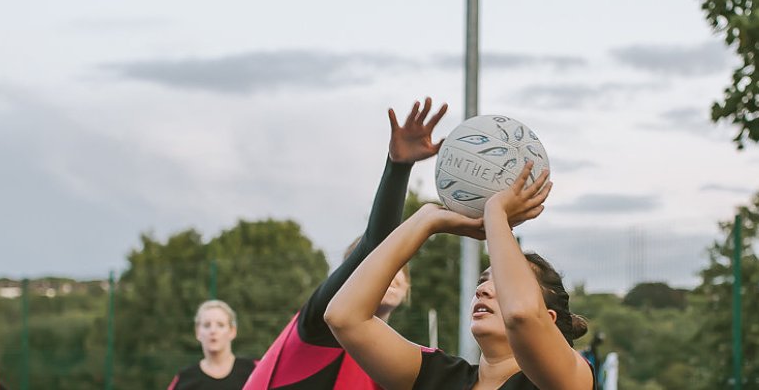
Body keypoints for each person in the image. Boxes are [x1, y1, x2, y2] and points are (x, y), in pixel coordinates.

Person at [325, 162, 595, 389]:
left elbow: (522, 315)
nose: (483, 290)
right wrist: (426, 220)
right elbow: (344, 317)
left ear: (548, 318)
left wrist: (496, 215)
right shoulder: (441, 378)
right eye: (482, 281)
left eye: (500, 283)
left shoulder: (570, 378)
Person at [243, 97, 448, 389]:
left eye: (397, 266)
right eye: (369, 266)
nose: (387, 272)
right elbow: (376, 246)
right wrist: (398, 168)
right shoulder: (321, 325)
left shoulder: (394, 358)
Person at [168, 300, 257, 389]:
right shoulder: (185, 379)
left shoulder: (253, 371)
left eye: (220, 325)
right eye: (207, 325)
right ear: (197, 332)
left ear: (232, 331)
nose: (213, 331)